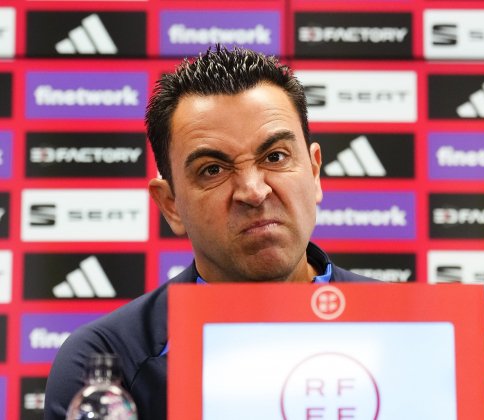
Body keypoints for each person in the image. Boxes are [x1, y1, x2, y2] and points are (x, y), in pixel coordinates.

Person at [44, 45, 373, 420]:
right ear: (170, 204)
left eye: (275, 157)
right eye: (213, 170)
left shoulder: (416, 334)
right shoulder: (107, 364)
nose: (253, 191)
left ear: (314, 172)